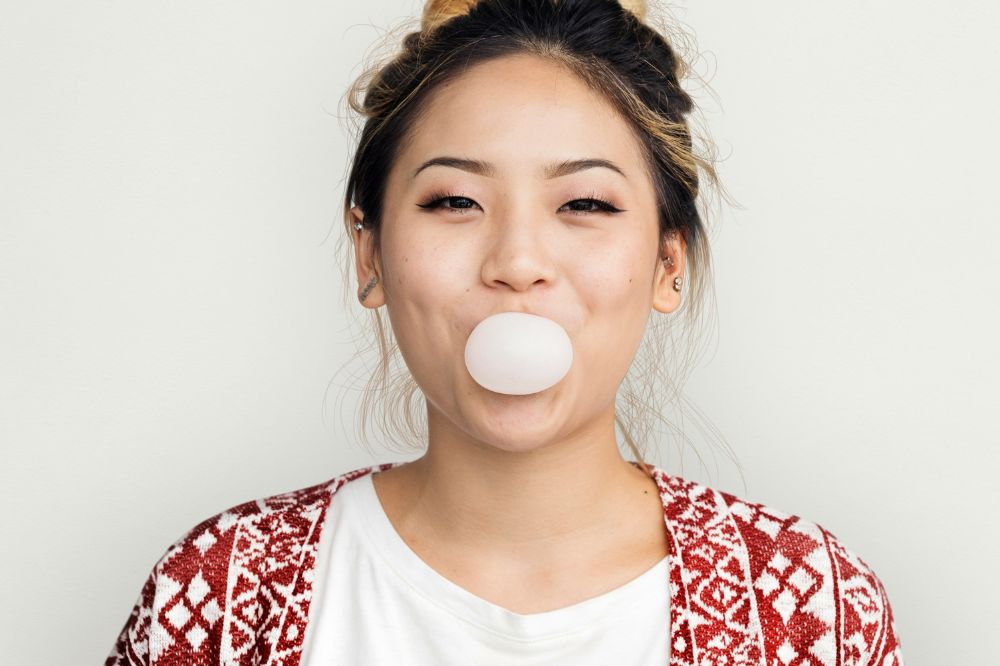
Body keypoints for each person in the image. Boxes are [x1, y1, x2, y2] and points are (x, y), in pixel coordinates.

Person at [106, 0, 905, 663]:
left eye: (584, 205)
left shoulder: (812, 608)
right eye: (454, 202)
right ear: (370, 254)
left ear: (669, 263)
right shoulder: (223, 590)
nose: (518, 262)